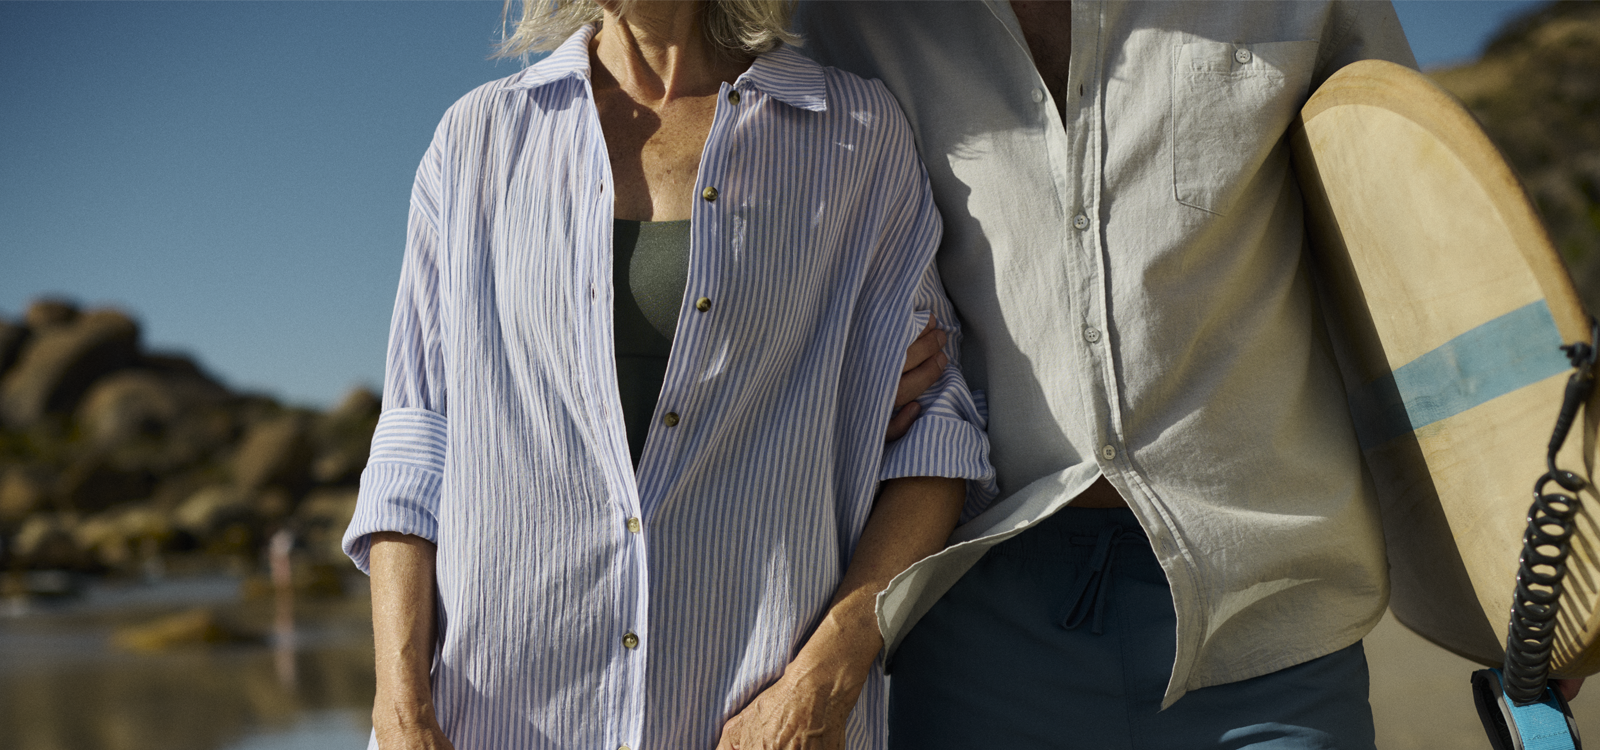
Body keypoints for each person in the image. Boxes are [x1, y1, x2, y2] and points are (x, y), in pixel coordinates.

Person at [791, 0, 1502, 747]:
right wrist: (833, 369)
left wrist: (1527, 570)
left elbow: (1420, 258)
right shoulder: (847, 21)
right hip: (974, 623)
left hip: (1268, 609)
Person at [340, 0, 994, 748]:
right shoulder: (479, 137)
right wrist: (401, 711)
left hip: (761, 720)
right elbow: (415, 444)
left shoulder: (852, 131)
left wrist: (823, 681)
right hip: (493, 719)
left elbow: (938, 436)